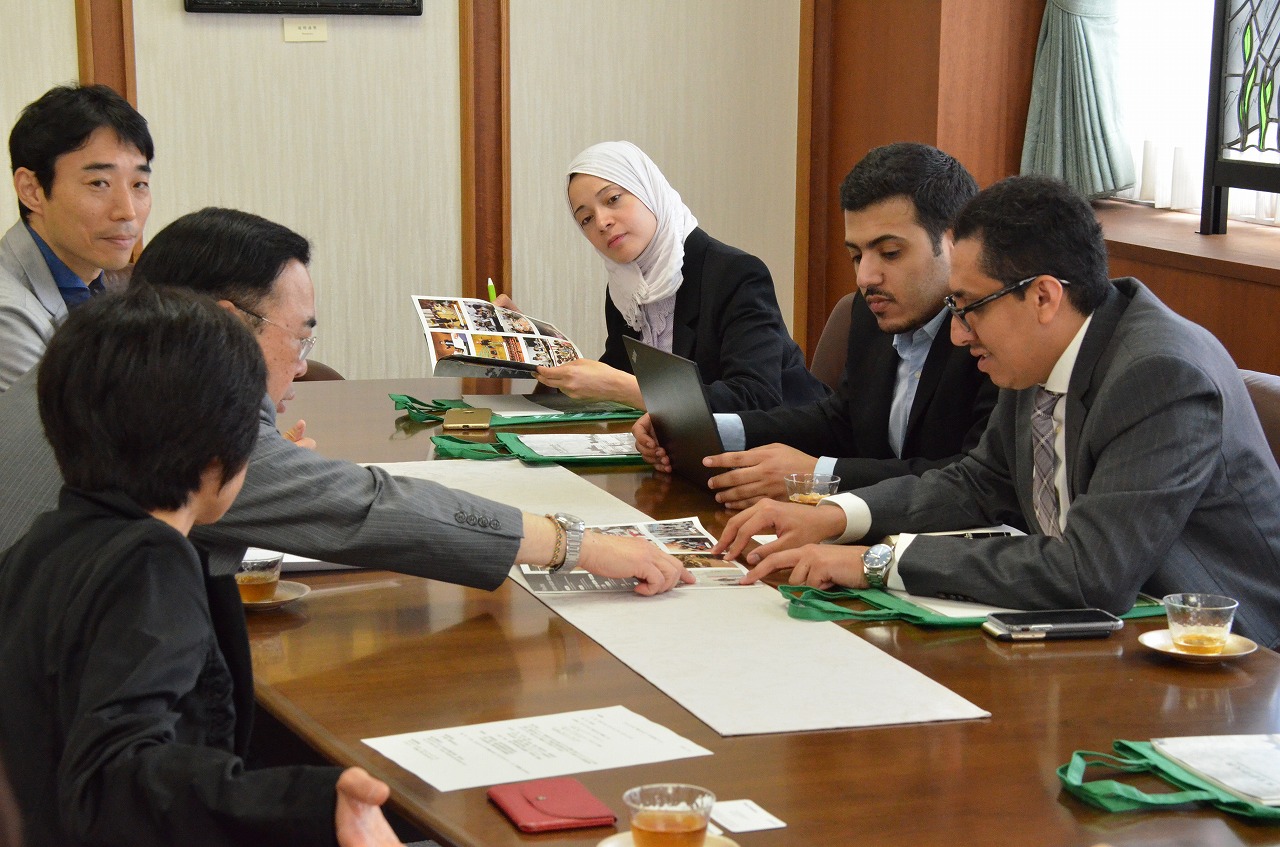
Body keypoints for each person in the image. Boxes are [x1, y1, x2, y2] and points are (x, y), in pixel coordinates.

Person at [0, 207, 692, 596]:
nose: (301, 368)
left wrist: (264, 475)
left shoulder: (90, 361)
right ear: (228, 322)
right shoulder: (174, 413)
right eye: (297, 337)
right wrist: (577, 544)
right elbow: (370, 507)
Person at [717, 175, 1280, 650]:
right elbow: (980, 482)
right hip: (1108, 635)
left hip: (1225, 659)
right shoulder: (1041, 347)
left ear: (1041, 297)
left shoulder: (1159, 375)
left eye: (967, 308)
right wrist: (838, 516)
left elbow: (1090, 574)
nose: (959, 336)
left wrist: (877, 561)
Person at [0, 286, 402, 846]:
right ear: (225, 456)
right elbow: (116, 781)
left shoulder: (40, 544)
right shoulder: (149, 563)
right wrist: (307, 805)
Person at [634, 143, 997, 509]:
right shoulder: (872, 308)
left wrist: (821, 476)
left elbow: (973, 477)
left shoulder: (995, 334)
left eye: (890, 253)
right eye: (856, 255)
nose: (865, 277)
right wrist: (708, 430)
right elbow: (841, 421)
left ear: (954, 242)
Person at [531, 140, 828, 412]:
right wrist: (533, 342)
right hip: (688, 453)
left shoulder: (735, 274)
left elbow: (754, 398)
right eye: (586, 219)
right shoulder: (626, 290)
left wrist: (628, 389)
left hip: (788, 453)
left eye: (613, 199)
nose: (602, 222)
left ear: (648, 189)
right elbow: (609, 378)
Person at [0, 83, 152, 392]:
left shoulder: (93, 284)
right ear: (32, 190)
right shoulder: (8, 315)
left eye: (139, 184)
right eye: (99, 183)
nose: (127, 211)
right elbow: (61, 437)